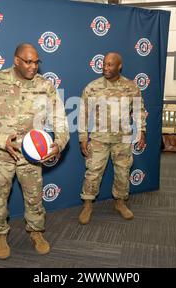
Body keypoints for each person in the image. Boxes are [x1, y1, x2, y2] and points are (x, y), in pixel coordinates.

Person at [0, 43, 69, 259]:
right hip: (1, 154)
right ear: (16, 60)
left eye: (37, 62)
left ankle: (36, 231)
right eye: (28, 61)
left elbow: (60, 118)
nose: (33, 66)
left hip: (32, 156)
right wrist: (0, 140)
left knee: (34, 197)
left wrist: (60, 142)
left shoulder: (45, 85)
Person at [77, 52, 147, 224]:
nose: (105, 68)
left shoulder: (131, 87)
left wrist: (142, 131)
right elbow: (83, 114)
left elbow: (139, 110)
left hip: (122, 139)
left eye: (110, 65)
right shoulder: (92, 87)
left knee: (123, 173)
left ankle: (120, 202)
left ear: (119, 66)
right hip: (99, 138)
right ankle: (87, 204)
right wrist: (82, 137)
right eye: (104, 64)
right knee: (93, 173)